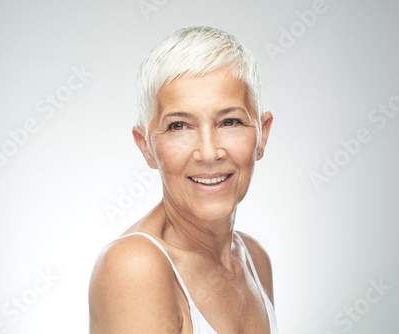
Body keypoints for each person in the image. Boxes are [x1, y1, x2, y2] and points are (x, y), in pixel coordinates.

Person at [89, 26, 278, 334]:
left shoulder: (255, 259)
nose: (208, 152)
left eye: (229, 121)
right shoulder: (134, 267)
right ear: (146, 147)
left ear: (262, 135)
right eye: (179, 126)